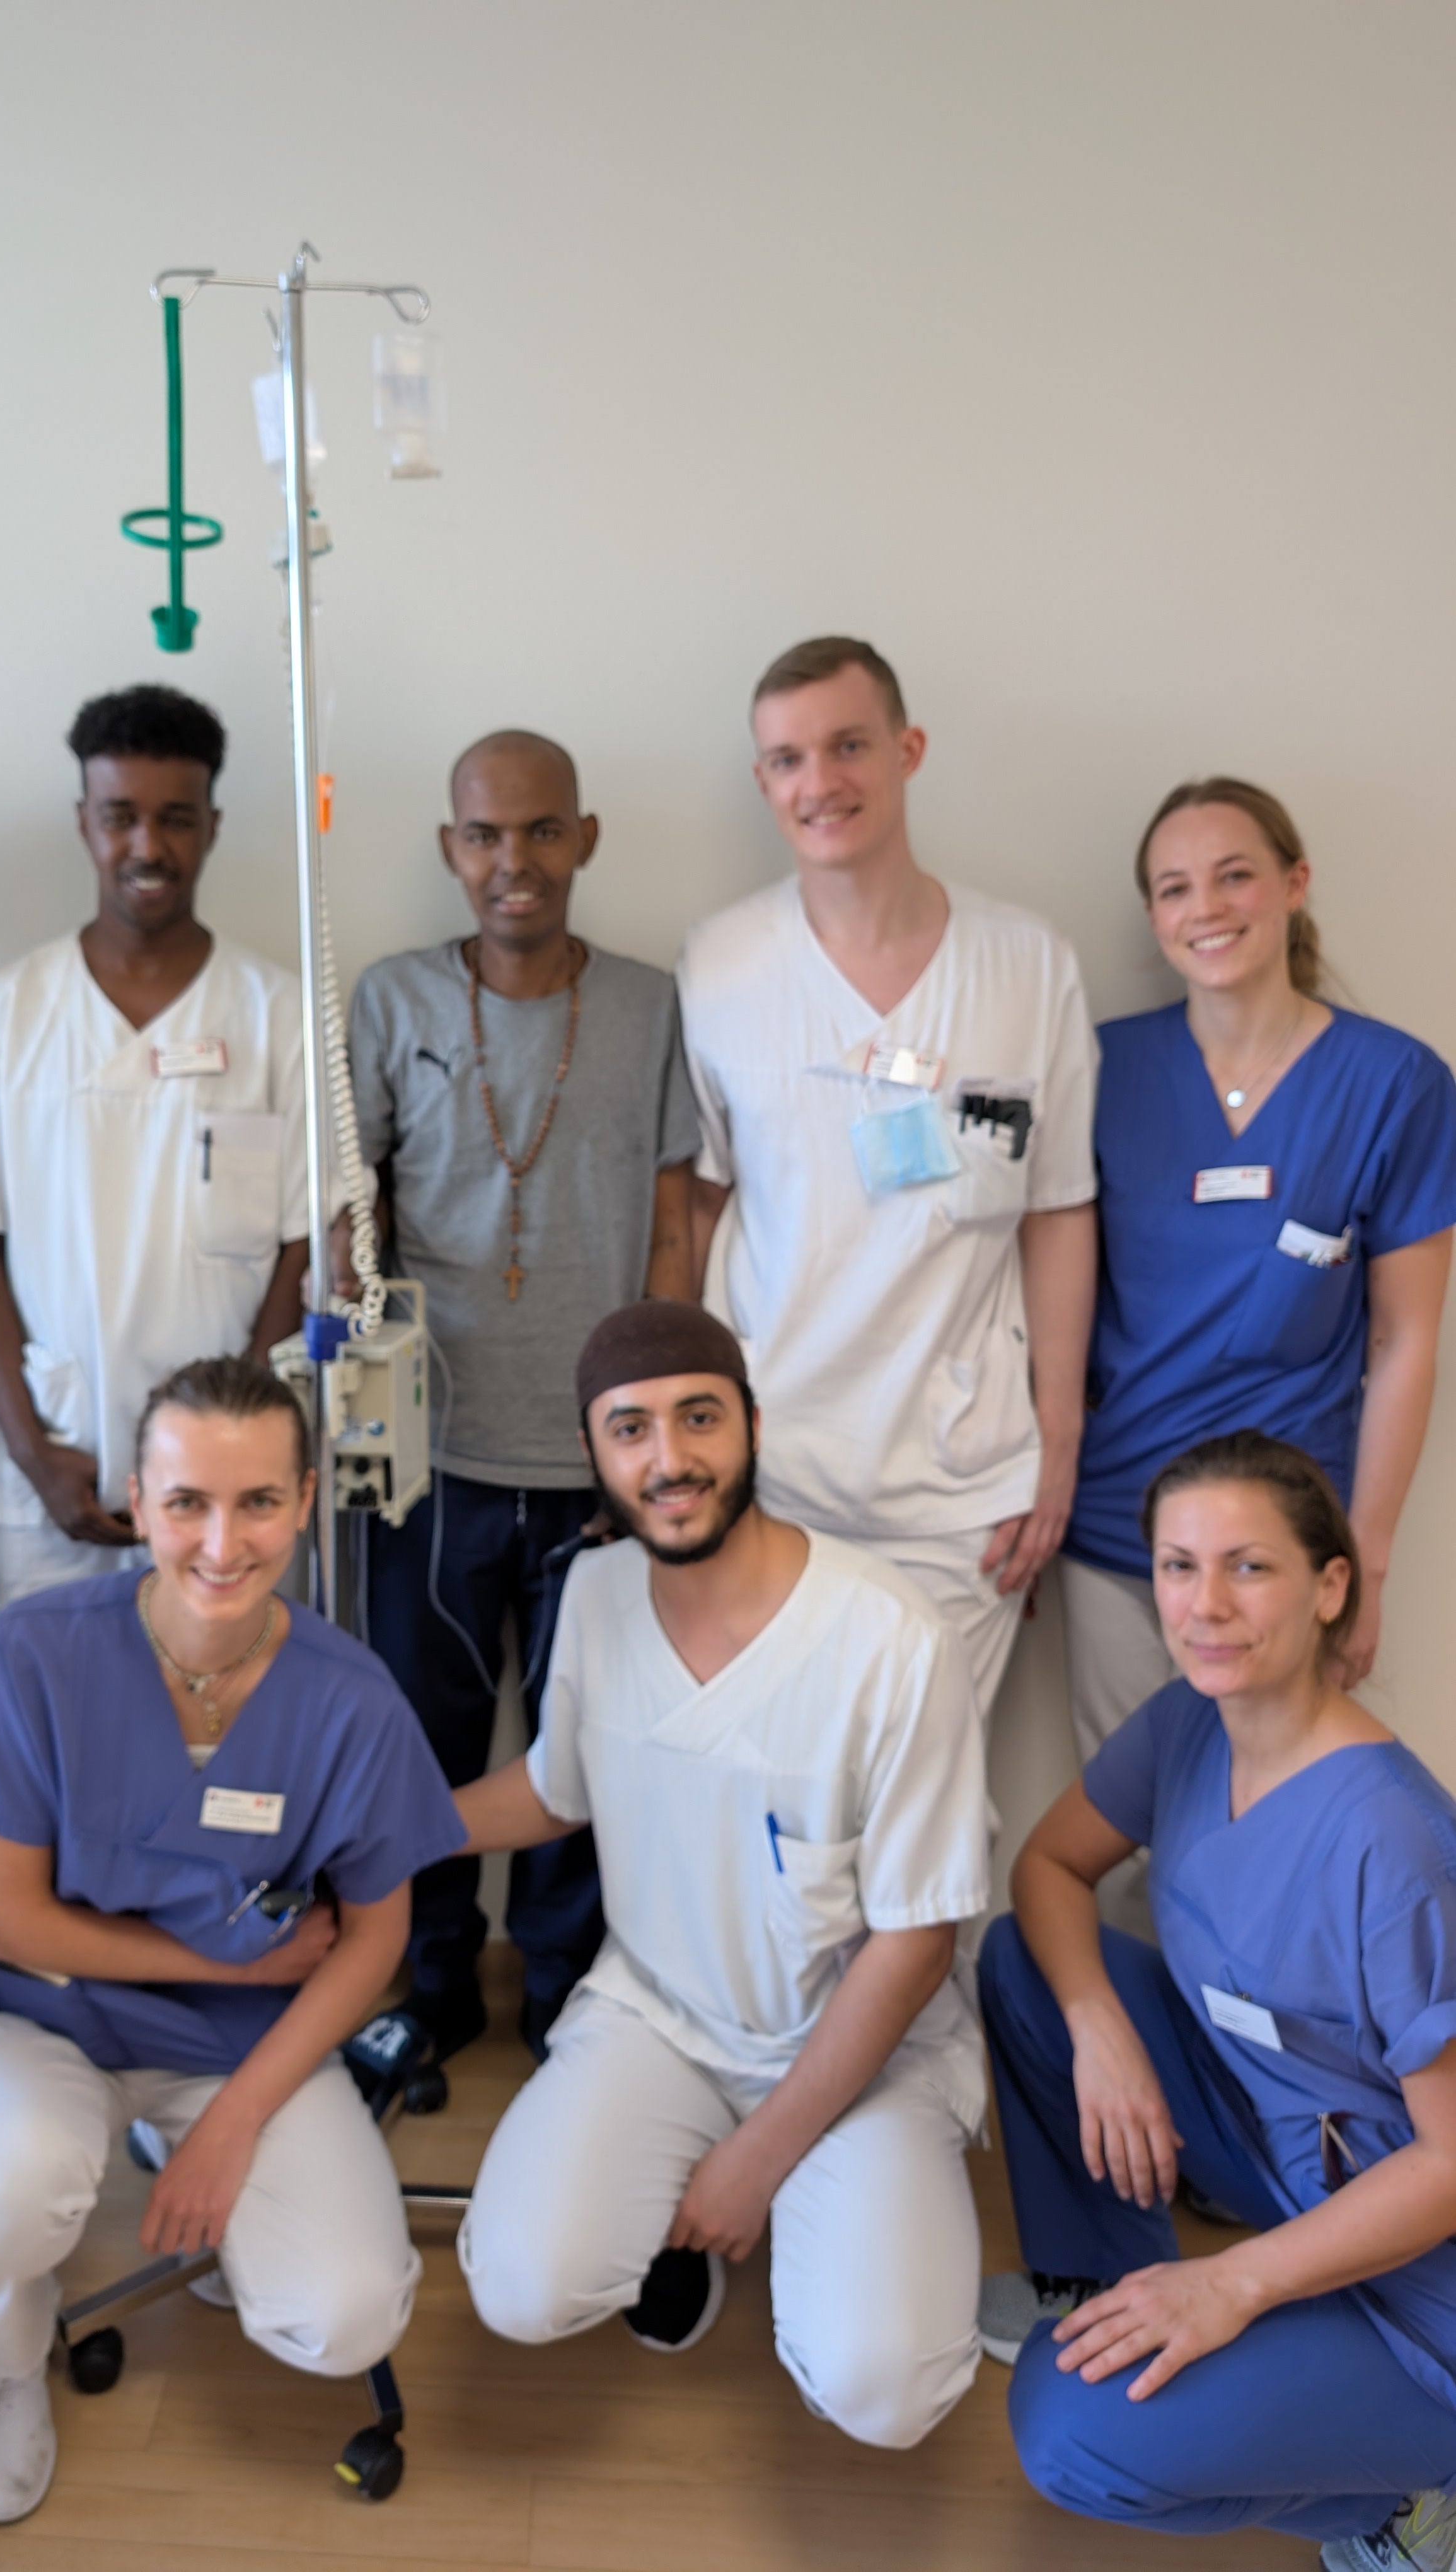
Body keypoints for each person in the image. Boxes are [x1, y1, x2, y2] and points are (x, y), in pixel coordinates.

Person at [0, 1355, 463, 2524]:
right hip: (41, 2013)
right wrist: (230, 1962)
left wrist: (236, 2121)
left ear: (309, 1499)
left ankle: (196, 2164)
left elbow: (370, 1944)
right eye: (186, 1504)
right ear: (135, 1497)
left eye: (259, 1502)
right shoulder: (35, 1655)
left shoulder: (348, 1699)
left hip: (236, 2045)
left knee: (347, 2312)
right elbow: (12, 1920)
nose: (223, 1543)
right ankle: (5, 2358)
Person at [455, 1301, 990, 2449]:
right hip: (660, 2017)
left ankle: (795, 2208)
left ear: (751, 1424)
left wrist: (761, 2157)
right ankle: (710, 2203)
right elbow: (558, 1788)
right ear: (594, 1457)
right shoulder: (593, 1595)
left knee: (882, 2391)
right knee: (520, 2285)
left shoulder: (892, 1639)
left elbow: (915, 1943)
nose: (670, 1459)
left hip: (861, 2050)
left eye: (699, 1419)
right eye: (631, 1430)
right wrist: (392, 1827)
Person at [979, 1433, 1456, 2566]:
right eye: (1179, 1566)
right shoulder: (1190, 1722)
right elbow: (1046, 1870)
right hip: (1279, 2150)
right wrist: (1103, 2036)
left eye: (1249, 1566)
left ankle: (1403, 2498)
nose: (1207, 1605)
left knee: (1068, 2430)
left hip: (1422, 2280)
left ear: (1330, 1585)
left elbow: (1450, 2163)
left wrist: (1232, 2284)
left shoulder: (1394, 1844)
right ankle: (1112, 2287)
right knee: (1031, 1966)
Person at [348, 729, 700, 2062]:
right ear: (452, 849)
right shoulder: (391, 1003)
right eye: (487, 836)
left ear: (586, 839)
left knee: (584, 1737)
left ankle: (566, 1985)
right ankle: (428, 1975)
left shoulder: (650, 1007)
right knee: (420, 1735)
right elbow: (357, 1213)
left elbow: (674, 1224)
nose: (516, 863)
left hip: (596, 1451)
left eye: (543, 831)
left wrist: (657, 1437)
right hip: (430, 1453)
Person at [678, 637, 1097, 1718]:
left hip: (965, 1491)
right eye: (787, 759)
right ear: (762, 782)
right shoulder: (720, 966)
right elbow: (703, 1207)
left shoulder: (1027, 962)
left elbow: (1057, 1214)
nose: (820, 783)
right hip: (773, 1473)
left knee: (930, 1829)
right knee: (782, 1807)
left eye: (849, 745)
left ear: (908, 750)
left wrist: (1056, 1459)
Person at [1064, 781, 1456, 1906]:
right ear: (1153, 918)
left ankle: (1284, 2084)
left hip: (1289, 1537)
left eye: (1236, 873)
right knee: (1131, 1835)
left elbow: (1409, 1338)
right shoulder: (1103, 1072)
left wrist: (1364, 1558)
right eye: (1175, 887)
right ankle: (1153, 2068)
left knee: (1287, 1831)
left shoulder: (1395, 1084)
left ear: (1293, 883)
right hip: (1121, 1528)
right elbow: (1048, 1302)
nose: (1209, 907)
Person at [0, 685, 309, 1609]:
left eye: (175, 819)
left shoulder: (280, 1013)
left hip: (230, 1488)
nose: (147, 846)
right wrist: (31, 1452)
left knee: (229, 1727)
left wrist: (238, 1447)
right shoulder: (4, 1016)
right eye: (119, 817)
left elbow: (305, 1244)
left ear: (212, 828)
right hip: (62, 1455)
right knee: (57, 1724)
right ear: (83, 824)